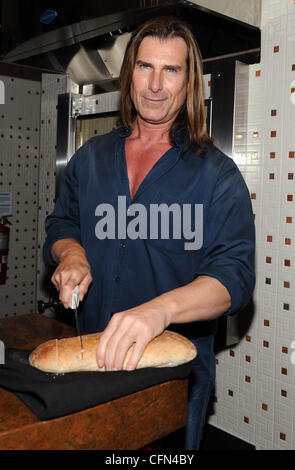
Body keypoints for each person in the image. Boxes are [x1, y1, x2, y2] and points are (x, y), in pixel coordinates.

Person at [43, 16, 255, 450]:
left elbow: (233, 279)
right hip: (91, 362)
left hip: (169, 379)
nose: (155, 84)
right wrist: (72, 256)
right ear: (130, 74)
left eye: (171, 70)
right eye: (145, 67)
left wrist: (158, 311)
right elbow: (62, 224)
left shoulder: (217, 175)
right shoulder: (90, 158)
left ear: (189, 81)